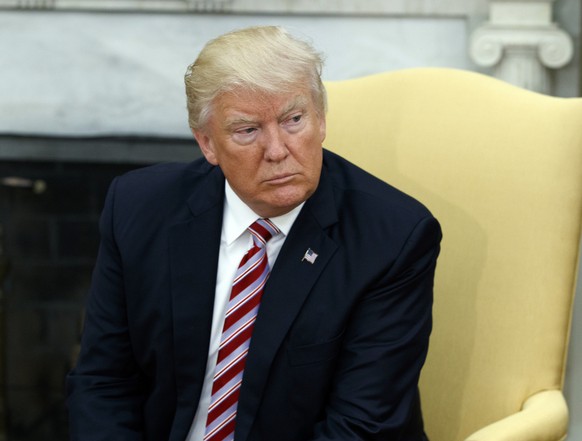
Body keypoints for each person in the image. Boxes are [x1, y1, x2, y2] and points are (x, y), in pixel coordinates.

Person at [66, 25, 442, 441]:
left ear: (320, 119)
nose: (278, 150)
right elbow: (103, 382)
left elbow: (361, 426)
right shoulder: (139, 207)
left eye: (294, 120)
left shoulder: (392, 237)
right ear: (207, 143)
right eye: (248, 130)